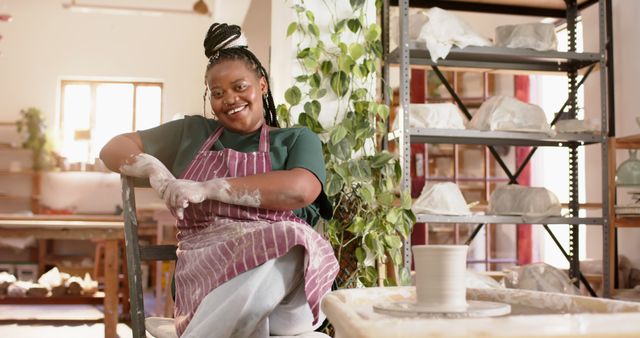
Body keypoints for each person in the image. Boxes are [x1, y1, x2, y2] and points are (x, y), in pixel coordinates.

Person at [100, 22, 339, 338]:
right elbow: (112, 149)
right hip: (208, 284)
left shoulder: (295, 139)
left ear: (262, 85)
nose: (230, 99)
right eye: (217, 93)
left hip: (289, 297)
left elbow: (300, 190)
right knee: (259, 328)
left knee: (293, 240)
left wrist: (208, 188)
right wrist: (158, 174)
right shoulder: (192, 133)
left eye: (240, 87)